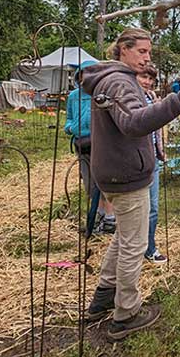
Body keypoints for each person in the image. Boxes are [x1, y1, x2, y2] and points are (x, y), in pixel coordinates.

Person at [81, 28, 180, 340]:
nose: (147, 58)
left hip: (114, 171)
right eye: (142, 52)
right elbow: (134, 123)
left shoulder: (110, 79)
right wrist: (179, 101)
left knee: (123, 238)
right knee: (134, 246)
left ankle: (102, 299)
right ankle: (126, 314)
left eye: (149, 52)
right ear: (123, 49)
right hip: (125, 175)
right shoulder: (120, 82)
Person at [64, 60, 115, 237]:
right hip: (81, 144)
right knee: (90, 184)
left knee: (105, 182)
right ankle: (98, 218)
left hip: (101, 144)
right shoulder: (73, 97)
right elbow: (69, 119)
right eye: (83, 75)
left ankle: (110, 218)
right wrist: (71, 128)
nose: (87, 78)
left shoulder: (103, 95)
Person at [136, 65, 167, 264]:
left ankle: (150, 247)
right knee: (137, 208)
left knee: (153, 207)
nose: (147, 82)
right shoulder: (130, 98)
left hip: (153, 158)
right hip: (136, 160)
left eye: (150, 78)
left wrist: (161, 150)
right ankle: (134, 248)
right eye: (143, 77)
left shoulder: (152, 97)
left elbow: (157, 127)